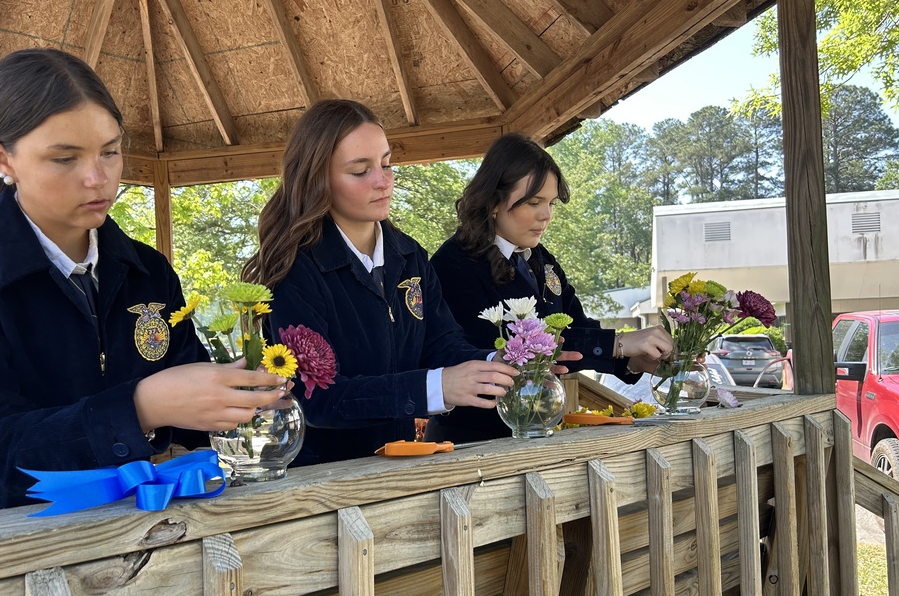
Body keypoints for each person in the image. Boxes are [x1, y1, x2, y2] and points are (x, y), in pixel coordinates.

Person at [0, 48, 284, 519]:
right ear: (1, 157)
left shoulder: (145, 270)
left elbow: (188, 407)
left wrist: (238, 394)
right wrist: (139, 407)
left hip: (127, 528)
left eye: (110, 152)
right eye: (64, 158)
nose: (98, 178)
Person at [242, 99, 528, 466]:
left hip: (399, 466)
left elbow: (442, 344)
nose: (383, 181)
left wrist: (497, 362)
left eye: (387, 164)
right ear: (318, 179)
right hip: (321, 478)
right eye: (360, 171)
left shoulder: (409, 256)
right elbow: (320, 399)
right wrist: (436, 387)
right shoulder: (296, 270)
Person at [427, 132, 674, 443]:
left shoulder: (540, 260)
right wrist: (620, 342)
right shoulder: (452, 265)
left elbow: (575, 328)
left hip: (537, 434)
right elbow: (500, 351)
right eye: (534, 202)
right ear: (493, 201)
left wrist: (635, 361)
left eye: (551, 203)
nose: (546, 216)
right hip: (472, 441)